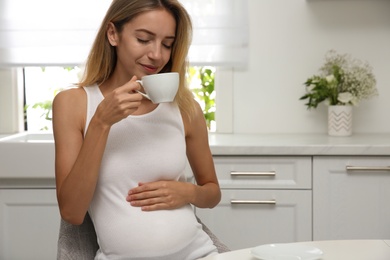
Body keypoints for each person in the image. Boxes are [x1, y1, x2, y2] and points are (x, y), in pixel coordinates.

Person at [52, 0, 221, 259]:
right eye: (144, 39)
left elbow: (212, 193)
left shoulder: (186, 109)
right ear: (113, 34)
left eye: (167, 44)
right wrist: (101, 122)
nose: (157, 54)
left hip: (198, 254)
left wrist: (188, 192)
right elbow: (72, 212)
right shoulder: (74, 104)